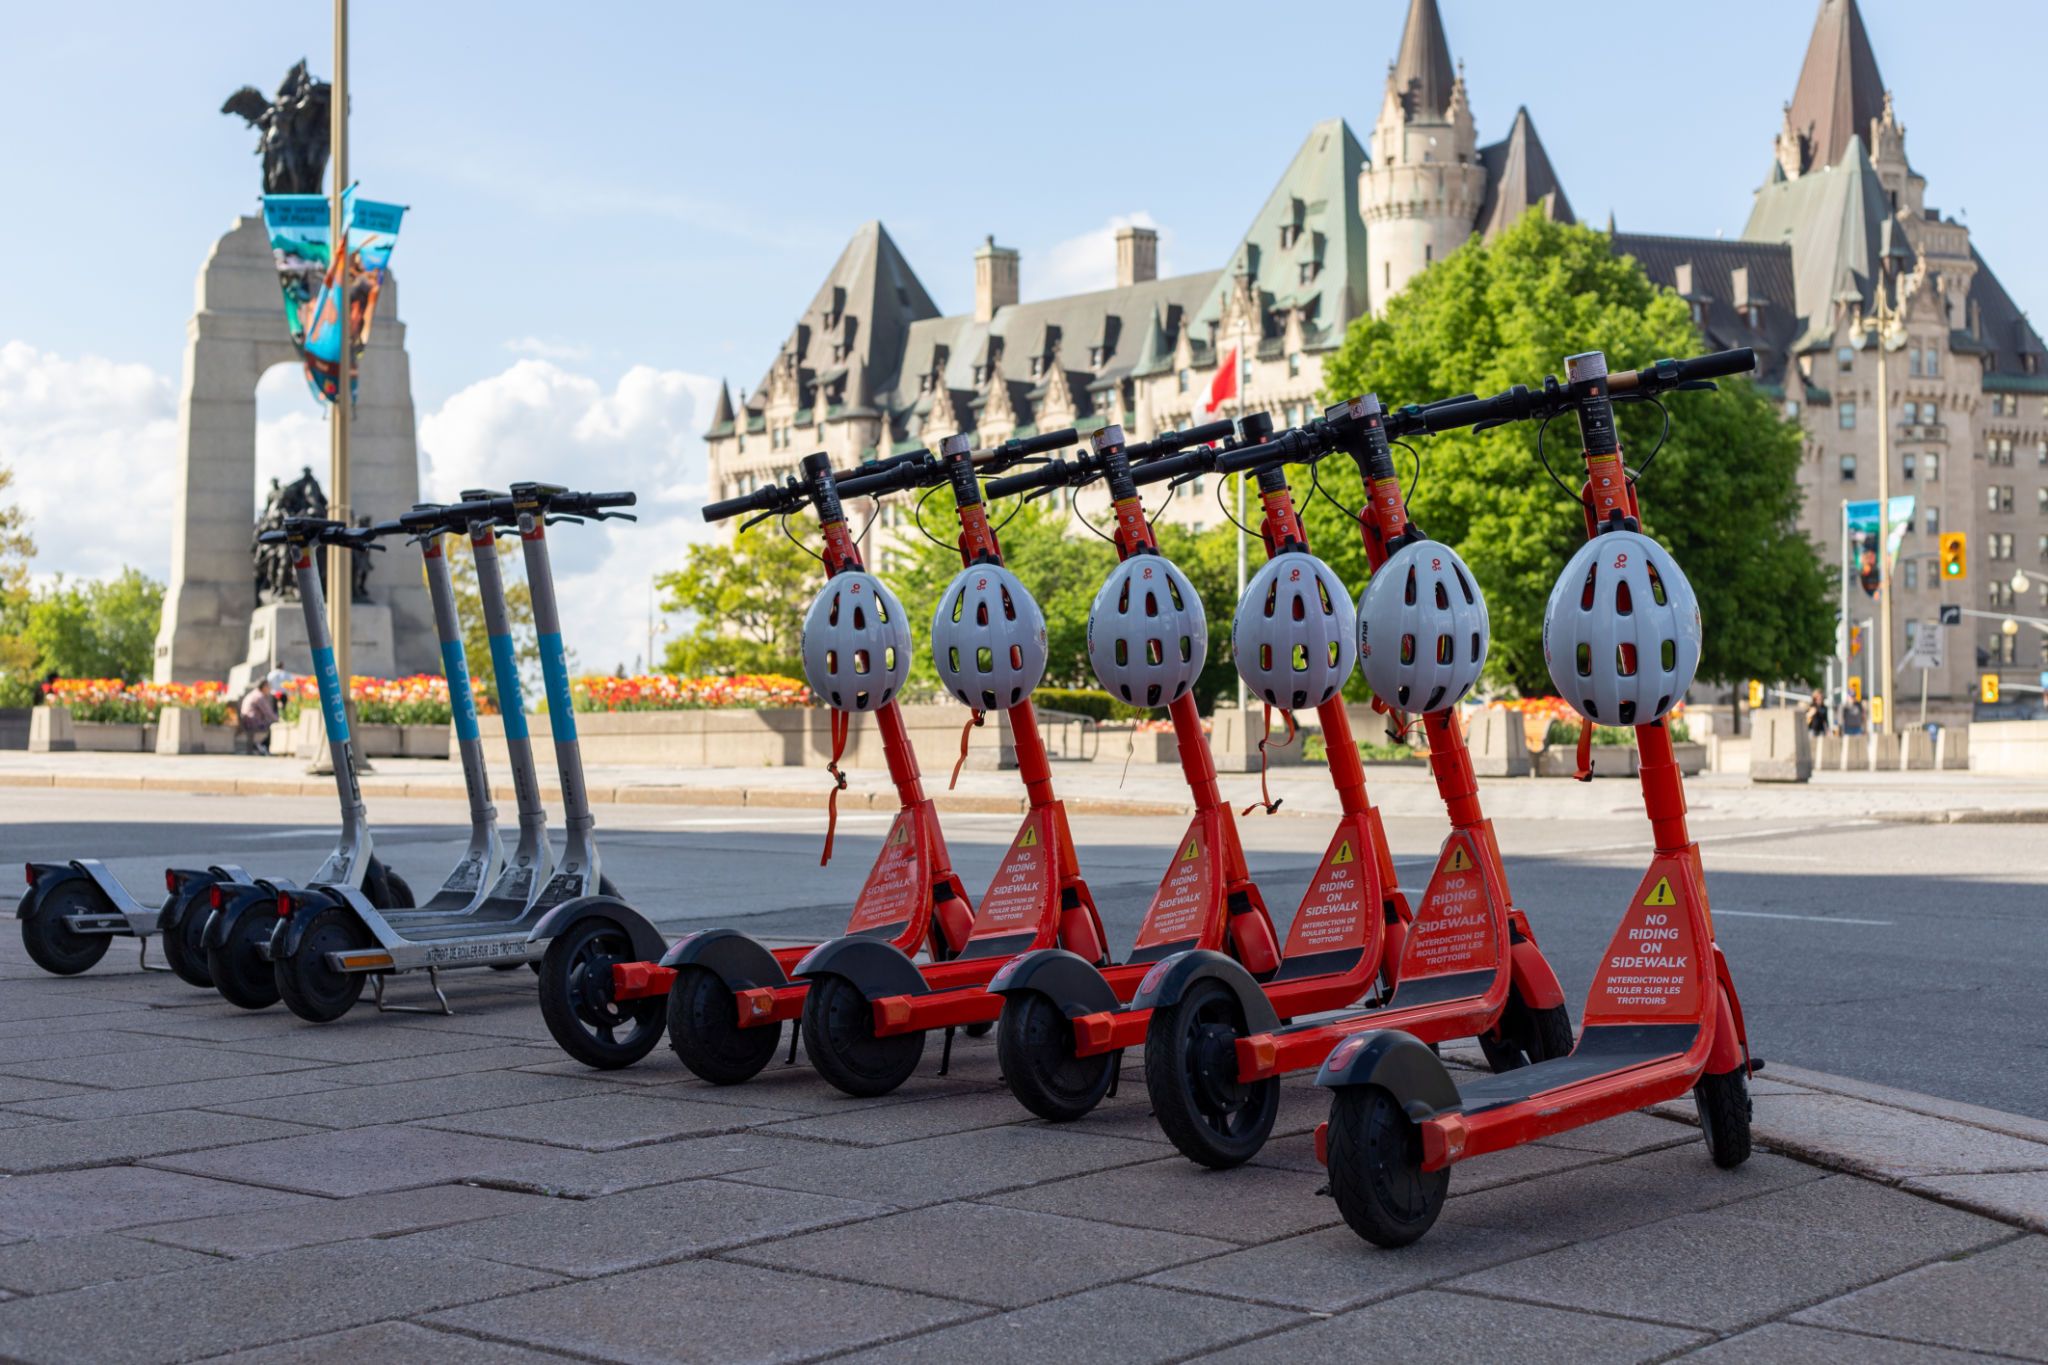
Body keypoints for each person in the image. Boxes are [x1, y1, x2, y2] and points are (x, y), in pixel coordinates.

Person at [238, 676, 279, 755]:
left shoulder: (254, 693)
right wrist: (279, 720)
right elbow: (268, 713)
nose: (269, 688)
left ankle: (260, 745)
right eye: (268, 686)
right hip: (253, 722)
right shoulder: (259, 696)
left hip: (247, 721)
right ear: (263, 687)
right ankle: (263, 745)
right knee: (274, 726)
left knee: (272, 724)